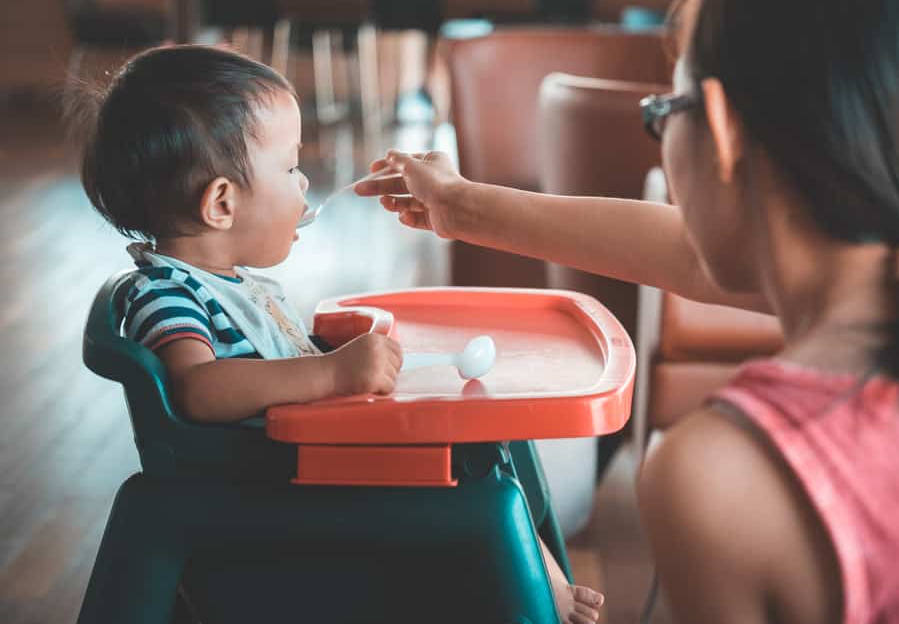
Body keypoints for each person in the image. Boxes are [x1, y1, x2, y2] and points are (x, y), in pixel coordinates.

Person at [356, 0, 899, 621]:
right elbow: (688, 252)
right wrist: (459, 205)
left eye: (662, 110)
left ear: (717, 128)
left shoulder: (720, 480)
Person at [72, 44, 603, 624]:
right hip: (276, 494)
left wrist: (341, 357)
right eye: (291, 167)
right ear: (221, 203)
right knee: (480, 468)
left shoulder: (232, 283)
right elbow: (200, 387)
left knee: (494, 439)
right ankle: (529, 587)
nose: (305, 183)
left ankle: (538, 571)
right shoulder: (168, 294)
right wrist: (329, 371)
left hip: (309, 464)